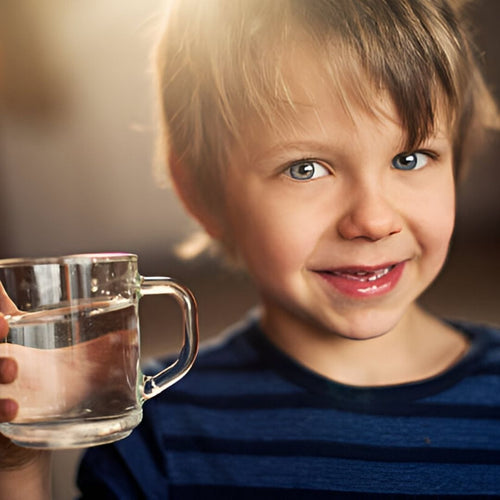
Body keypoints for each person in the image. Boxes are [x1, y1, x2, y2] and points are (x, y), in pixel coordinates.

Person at [1, 0, 500, 497]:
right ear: (202, 193)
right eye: (305, 168)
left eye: (411, 158)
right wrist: (16, 460)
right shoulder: (155, 435)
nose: (372, 220)